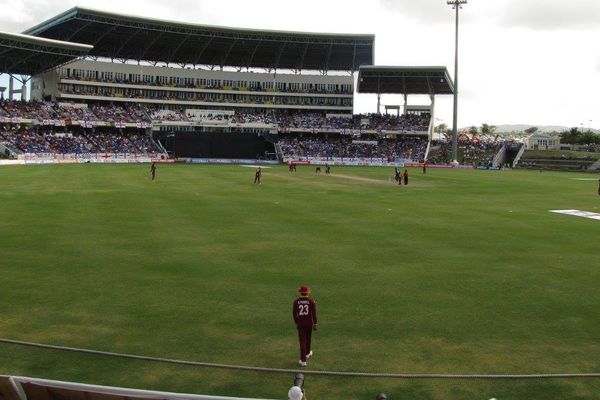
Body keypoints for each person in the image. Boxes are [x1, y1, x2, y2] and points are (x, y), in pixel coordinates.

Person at [293, 286, 318, 367]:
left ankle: (303, 359)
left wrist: (297, 322)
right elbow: (314, 314)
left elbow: (294, 313)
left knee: (302, 341)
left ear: (300, 292)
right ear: (307, 292)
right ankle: (307, 354)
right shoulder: (311, 301)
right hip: (309, 323)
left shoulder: (296, 302)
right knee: (308, 338)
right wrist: (315, 323)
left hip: (301, 324)